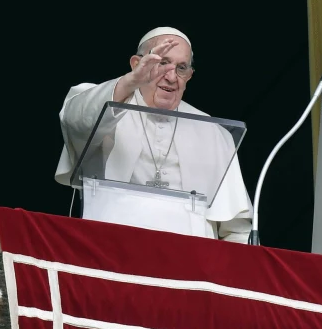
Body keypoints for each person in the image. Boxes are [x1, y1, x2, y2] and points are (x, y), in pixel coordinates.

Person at [54, 27, 253, 242]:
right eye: (162, 62)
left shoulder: (213, 132)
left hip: (192, 262)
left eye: (181, 68)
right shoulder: (106, 104)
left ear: (190, 76)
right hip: (111, 247)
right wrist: (130, 82)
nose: (171, 76)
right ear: (136, 64)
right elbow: (76, 121)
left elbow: (237, 229)